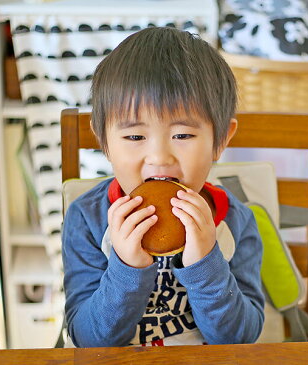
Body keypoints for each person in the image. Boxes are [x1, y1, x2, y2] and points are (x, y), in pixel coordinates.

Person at [62, 27, 264, 348]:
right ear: (104, 141)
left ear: (221, 140)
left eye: (182, 135)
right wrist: (126, 269)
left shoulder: (236, 222)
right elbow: (86, 339)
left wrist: (206, 265)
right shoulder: (86, 219)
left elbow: (241, 338)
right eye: (134, 137)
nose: (159, 157)